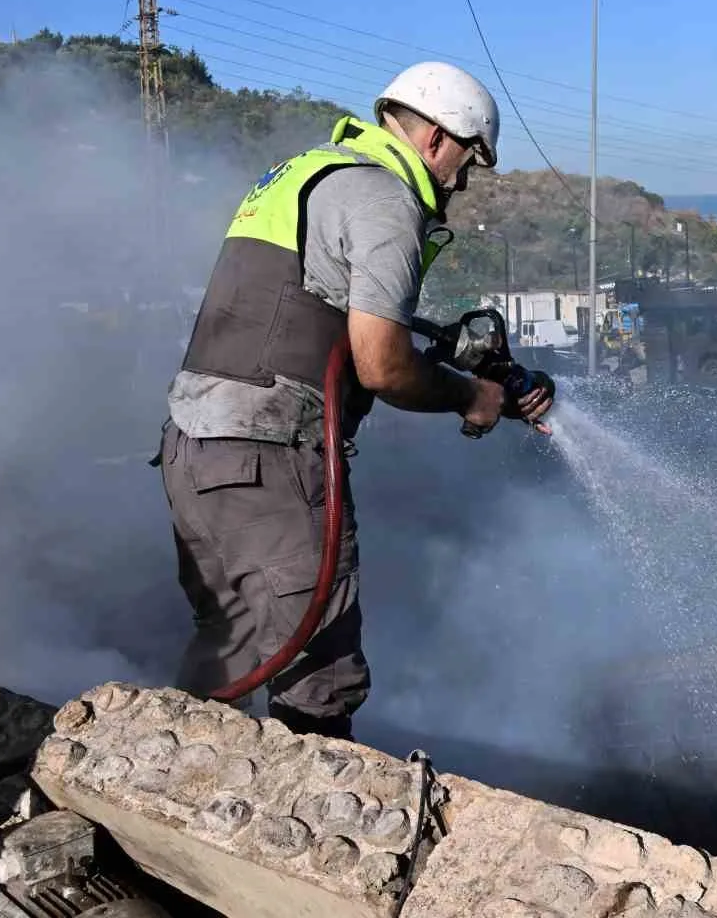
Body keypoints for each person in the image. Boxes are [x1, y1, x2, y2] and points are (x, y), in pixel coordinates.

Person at [156, 61, 553, 739]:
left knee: (233, 642)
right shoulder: (384, 199)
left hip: (196, 450)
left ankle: (171, 790)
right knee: (319, 675)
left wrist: (466, 363)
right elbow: (381, 366)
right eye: (469, 159)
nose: (462, 180)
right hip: (267, 454)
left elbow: (314, 312)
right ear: (435, 139)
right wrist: (471, 400)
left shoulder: (307, 172)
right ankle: (307, 834)